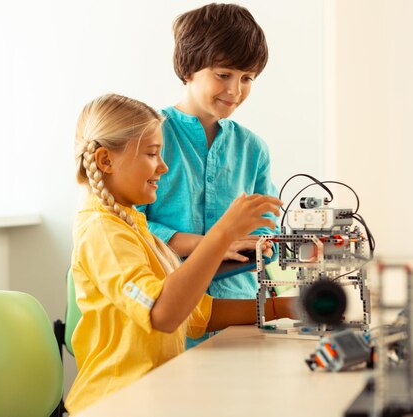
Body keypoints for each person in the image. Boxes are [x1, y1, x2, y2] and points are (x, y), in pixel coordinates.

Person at [66, 93, 295, 415]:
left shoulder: (132, 224)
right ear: (106, 161)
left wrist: (287, 307)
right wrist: (222, 234)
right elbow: (163, 313)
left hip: (155, 395)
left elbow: (195, 313)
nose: (163, 166)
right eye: (151, 153)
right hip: (116, 402)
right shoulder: (102, 231)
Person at [137, 3, 279, 348]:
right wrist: (211, 245)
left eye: (247, 78)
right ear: (188, 68)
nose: (235, 90)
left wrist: (261, 245)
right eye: (223, 75)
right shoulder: (147, 136)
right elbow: (130, 227)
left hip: (241, 311)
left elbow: (265, 230)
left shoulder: (253, 149)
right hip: (169, 312)